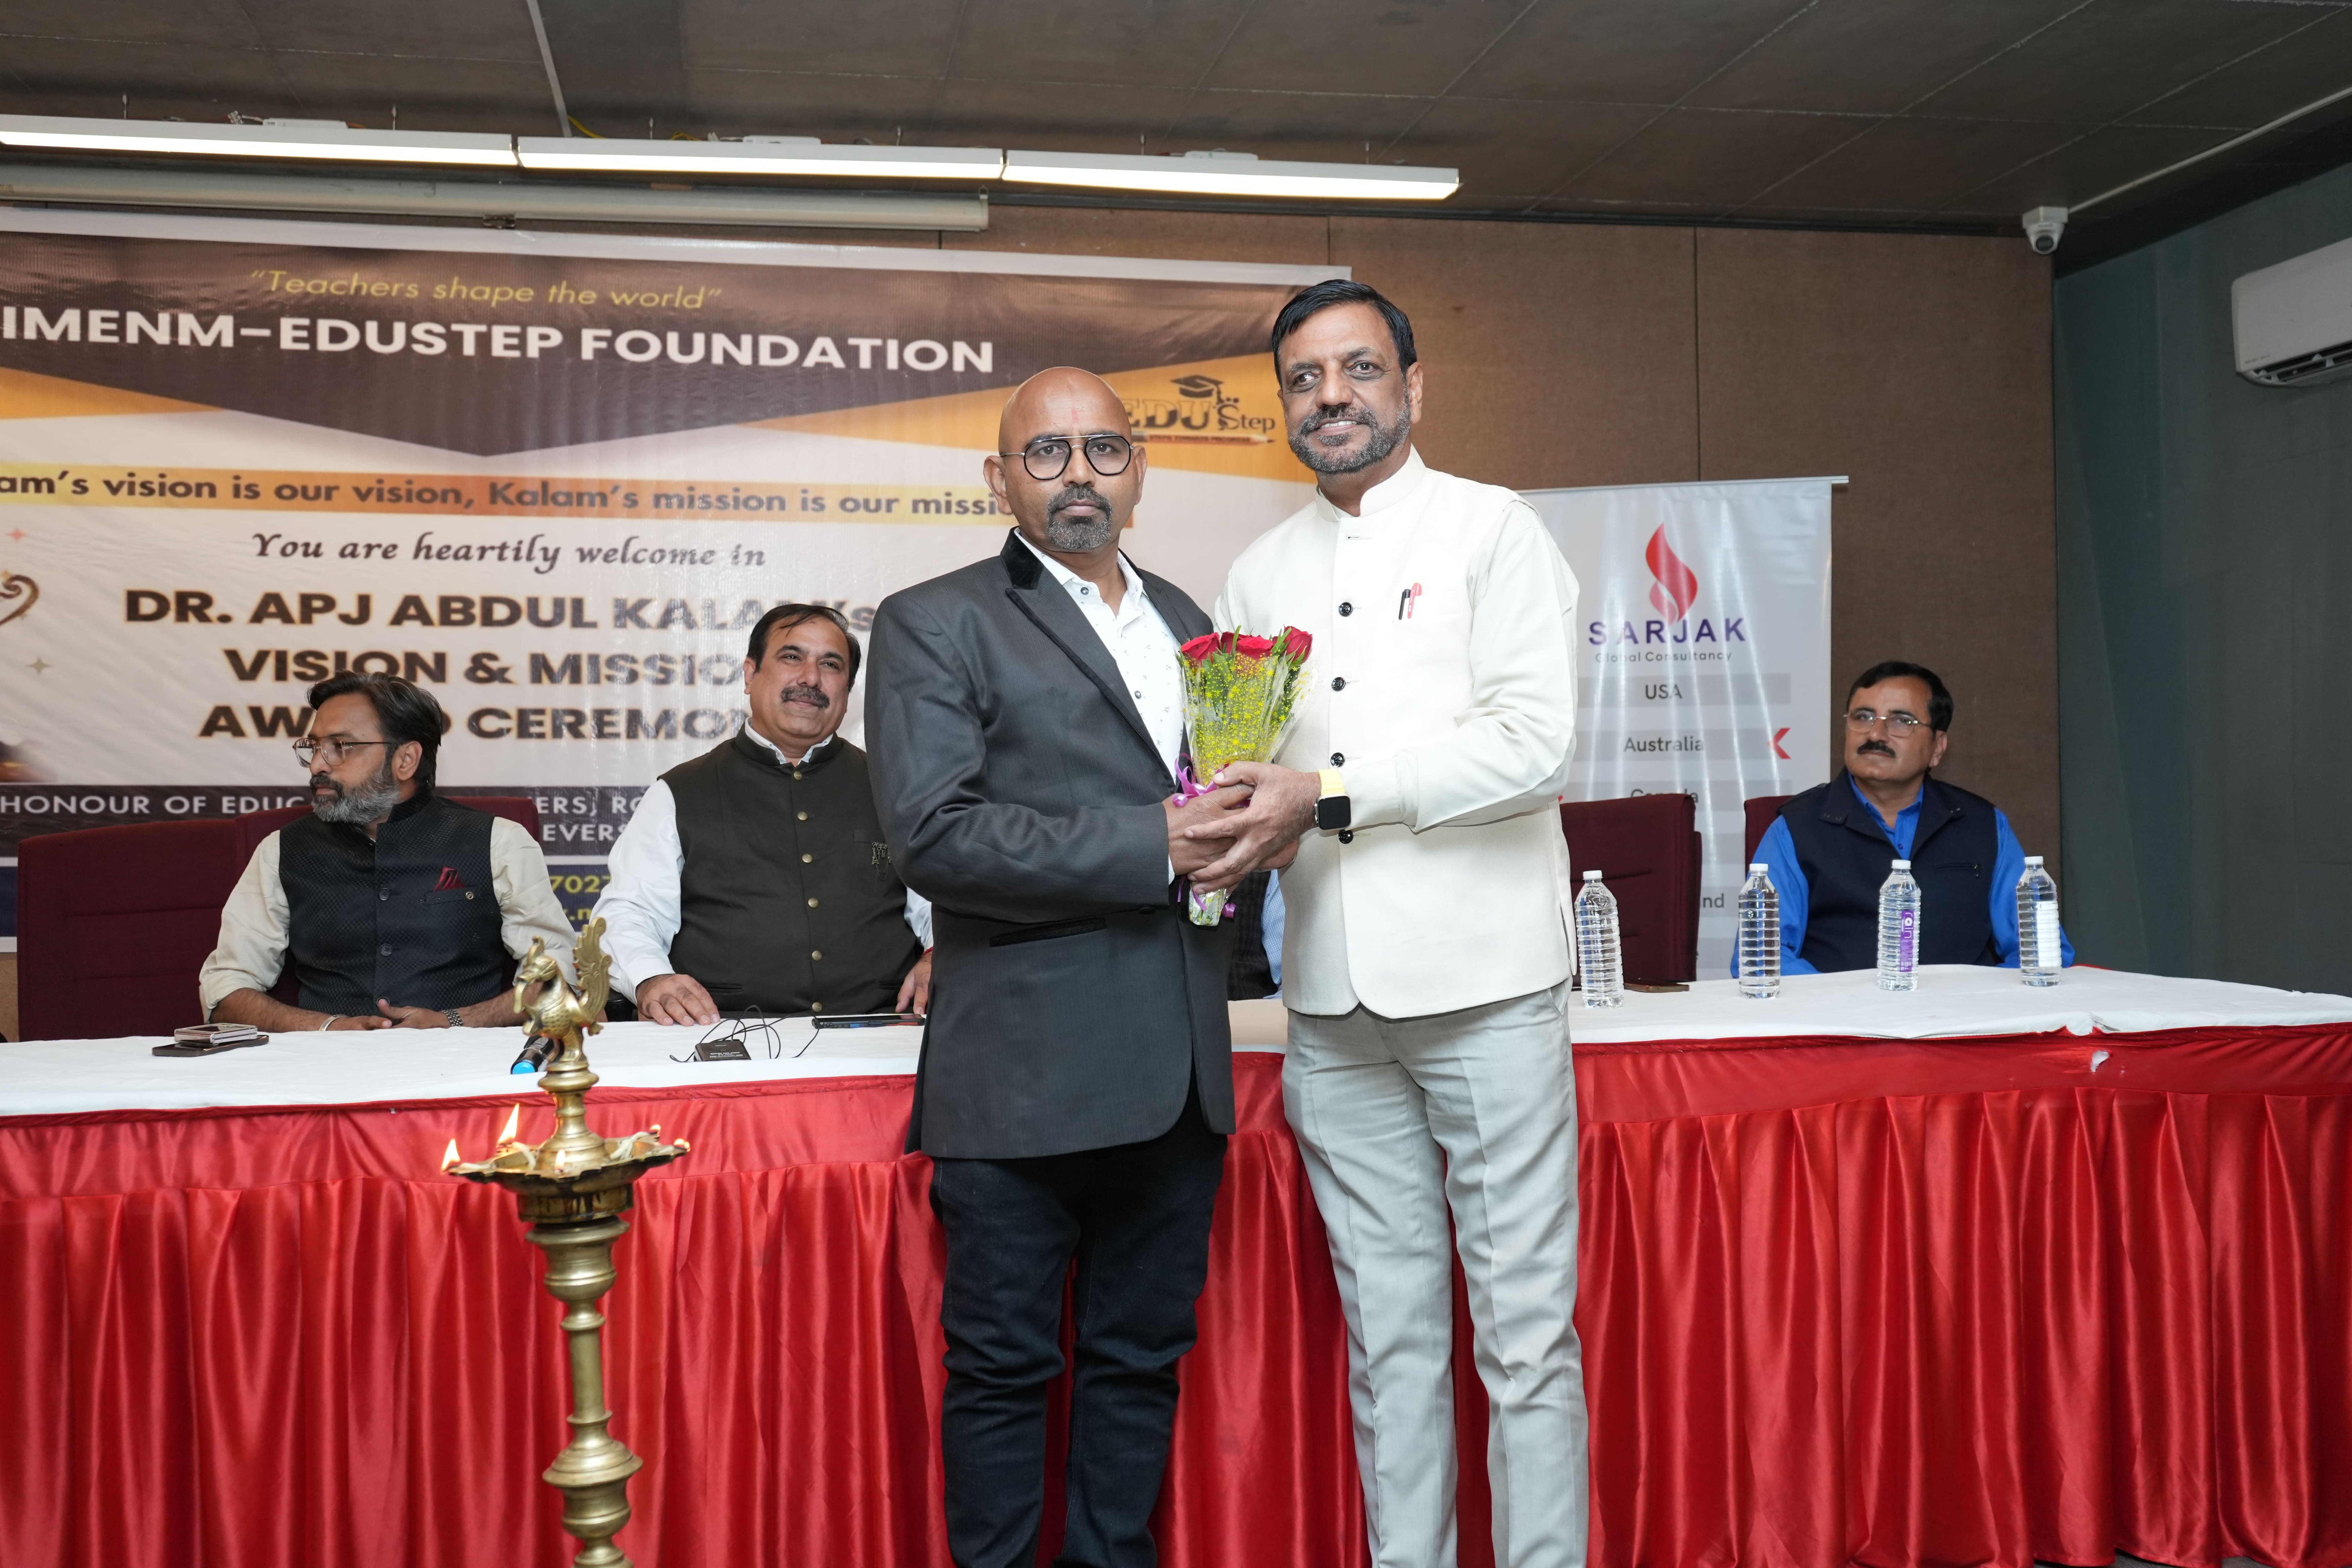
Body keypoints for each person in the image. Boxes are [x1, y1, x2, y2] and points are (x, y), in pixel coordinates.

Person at [1202, 279, 1588, 1568]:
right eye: (1307, 378)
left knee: (1525, 1337)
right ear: (1283, 409)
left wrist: (1334, 795)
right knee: (1393, 1336)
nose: (1334, 396)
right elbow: (1254, 768)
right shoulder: (1259, 567)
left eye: (1359, 369)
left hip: (1487, 987)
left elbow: (1535, 749)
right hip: (1331, 1003)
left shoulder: (1495, 529)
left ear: (1413, 387)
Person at [863, 367, 1249, 1568]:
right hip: (1021, 1067)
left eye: (1104, 449)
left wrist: (1247, 840)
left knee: (1139, 1363)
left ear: (1140, 470)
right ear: (998, 477)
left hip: (1178, 1063)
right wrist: (1159, 841)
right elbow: (934, 834)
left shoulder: (1194, 619)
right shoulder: (937, 617)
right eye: (1046, 454)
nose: (1079, 473)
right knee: (1003, 1368)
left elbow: (1217, 808)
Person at [593, 602, 933, 1023]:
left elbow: (943, 899)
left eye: (830, 664)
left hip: (880, 1030)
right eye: (792, 657)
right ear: (750, 674)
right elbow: (631, 911)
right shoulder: (679, 793)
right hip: (724, 1038)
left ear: (848, 688)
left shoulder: (897, 786)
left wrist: (941, 954)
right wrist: (650, 980)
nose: (810, 678)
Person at [201, 672, 574, 1031]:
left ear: (406, 759)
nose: (317, 765)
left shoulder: (499, 842)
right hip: (322, 1070)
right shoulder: (282, 851)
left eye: (341, 747)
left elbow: (557, 977)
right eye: (314, 747)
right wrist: (324, 1026)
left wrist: (454, 1021)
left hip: (465, 1064)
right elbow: (225, 991)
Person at [1745, 659, 2074, 974]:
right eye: (1863, 717)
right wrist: (1852, 1007)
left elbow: (2041, 950)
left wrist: (1978, 1004)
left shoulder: (1983, 825)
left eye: (1901, 721)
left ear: (1938, 747)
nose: (1876, 734)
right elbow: (1763, 959)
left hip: (1962, 1024)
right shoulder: (1796, 829)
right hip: (1845, 1025)